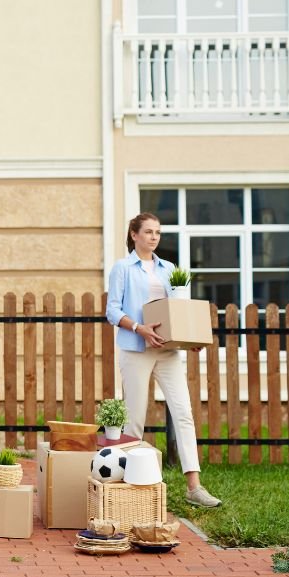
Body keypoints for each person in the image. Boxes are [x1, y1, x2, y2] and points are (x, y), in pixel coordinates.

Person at [106, 212, 221, 508]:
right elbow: (113, 311)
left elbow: (177, 310)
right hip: (136, 349)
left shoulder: (169, 269)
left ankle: (194, 486)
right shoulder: (123, 268)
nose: (154, 237)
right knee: (135, 418)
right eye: (148, 232)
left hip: (168, 351)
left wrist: (189, 338)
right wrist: (139, 328)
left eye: (157, 232)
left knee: (183, 413)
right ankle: (130, 486)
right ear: (134, 235)